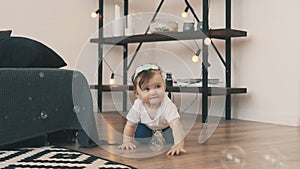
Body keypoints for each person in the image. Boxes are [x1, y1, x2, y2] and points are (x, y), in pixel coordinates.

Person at [118, 64, 186, 156]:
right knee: (141, 139)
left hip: (166, 126)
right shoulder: (138, 104)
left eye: (158, 86)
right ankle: (152, 133)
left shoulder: (167, 104)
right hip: (147, 125)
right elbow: (130, 125)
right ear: (138, 94)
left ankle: (170, 136)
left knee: (172, 140)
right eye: (147, 89)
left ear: (164, 87)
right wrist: (127, 141)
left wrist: (178, 145)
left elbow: (175, 124)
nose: (153, 92)